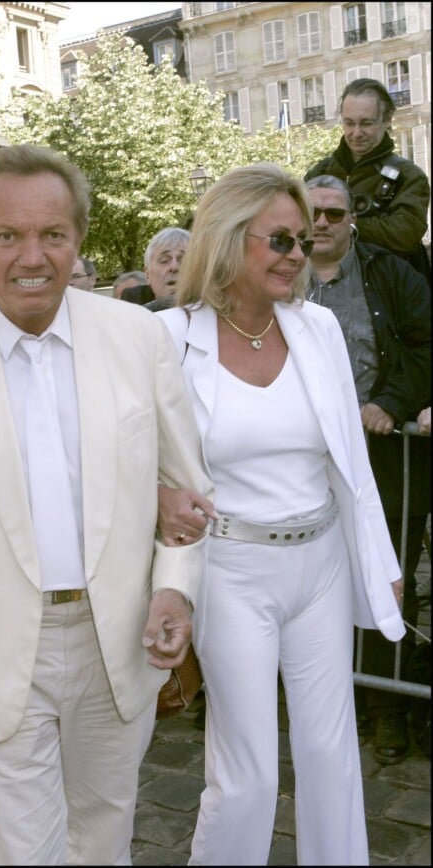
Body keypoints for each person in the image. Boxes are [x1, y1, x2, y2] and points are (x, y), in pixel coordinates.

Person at [0, 144, 212, 866]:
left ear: (77, 239)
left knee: (103, 836)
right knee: (21, 853)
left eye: (52, 235)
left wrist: (174, 593)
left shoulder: (137, 337)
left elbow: (186, 495)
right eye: (8, 236)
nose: (33, 256)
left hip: (116, 639)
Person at [154, 162, 405, 866]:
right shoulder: (172, 337)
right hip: (231, 568)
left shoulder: (316, 328)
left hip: (320, 563)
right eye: (281, 242)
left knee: (331, 753)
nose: (300, 255)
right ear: (230, 241)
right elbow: (138, 457)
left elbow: (350, 464)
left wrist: (377, 564)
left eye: (301, 241)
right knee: (248, 772)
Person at [304, 173, 431, 763]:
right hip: (304, 464)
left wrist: (392, 403)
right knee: (316, 580)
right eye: (313, 213)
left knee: (388, 577)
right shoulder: (277, 275)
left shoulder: (390, 273)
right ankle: (335, 700)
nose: (322, 223)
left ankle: (387, 711)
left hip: (385, 456)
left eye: (334, 212)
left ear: (353, 218)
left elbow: (427, 344)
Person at [304, 78, 431, 282]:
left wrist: (344, 225)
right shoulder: (320, 172)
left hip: (388, 289)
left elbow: (405, 235)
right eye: (349, 123)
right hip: (326, 284)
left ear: (387, 119)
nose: (356, 133)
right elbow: (297, 222)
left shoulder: (409, 175)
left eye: (366, 123)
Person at [121, 227, 190, 308]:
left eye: (183, 260)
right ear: (148, 276)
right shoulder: (130, 314)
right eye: (164, 260)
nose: (174, 267)